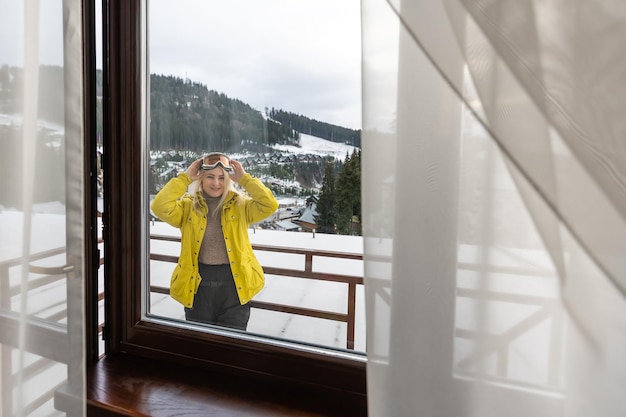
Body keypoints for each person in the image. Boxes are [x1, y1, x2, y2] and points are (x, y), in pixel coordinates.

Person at [151, 152, 278, 330]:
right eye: (210, 177)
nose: (216, 183)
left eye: (221, 177)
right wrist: (185, 179)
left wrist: (245, 180)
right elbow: (159, 206)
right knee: (201, 346)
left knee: (231, 345)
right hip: (198, 286)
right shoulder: (188, 207)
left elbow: (269, 204)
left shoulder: (241, 205)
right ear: (201, 178)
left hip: (235, 286)